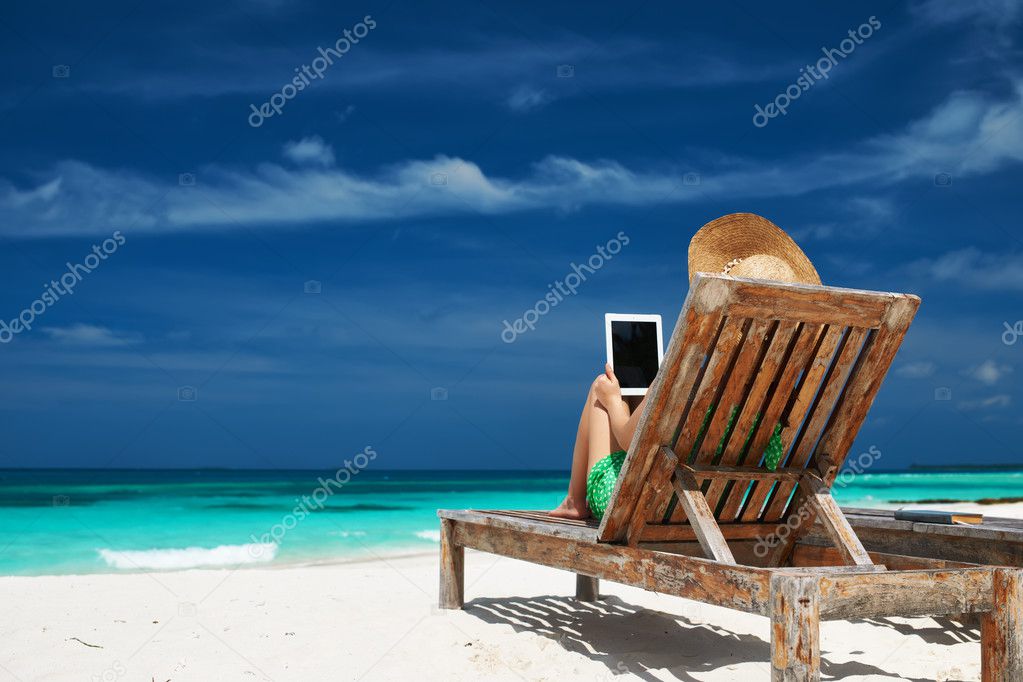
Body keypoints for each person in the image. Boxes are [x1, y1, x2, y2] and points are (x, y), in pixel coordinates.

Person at [550, 213, 822, 521]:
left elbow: (630, 441)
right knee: (639, 401)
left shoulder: (694, 370)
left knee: (601, 387)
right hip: (725, 509)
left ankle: (575, 502)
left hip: (652, 511)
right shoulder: (786, 390)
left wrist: (614, 401)